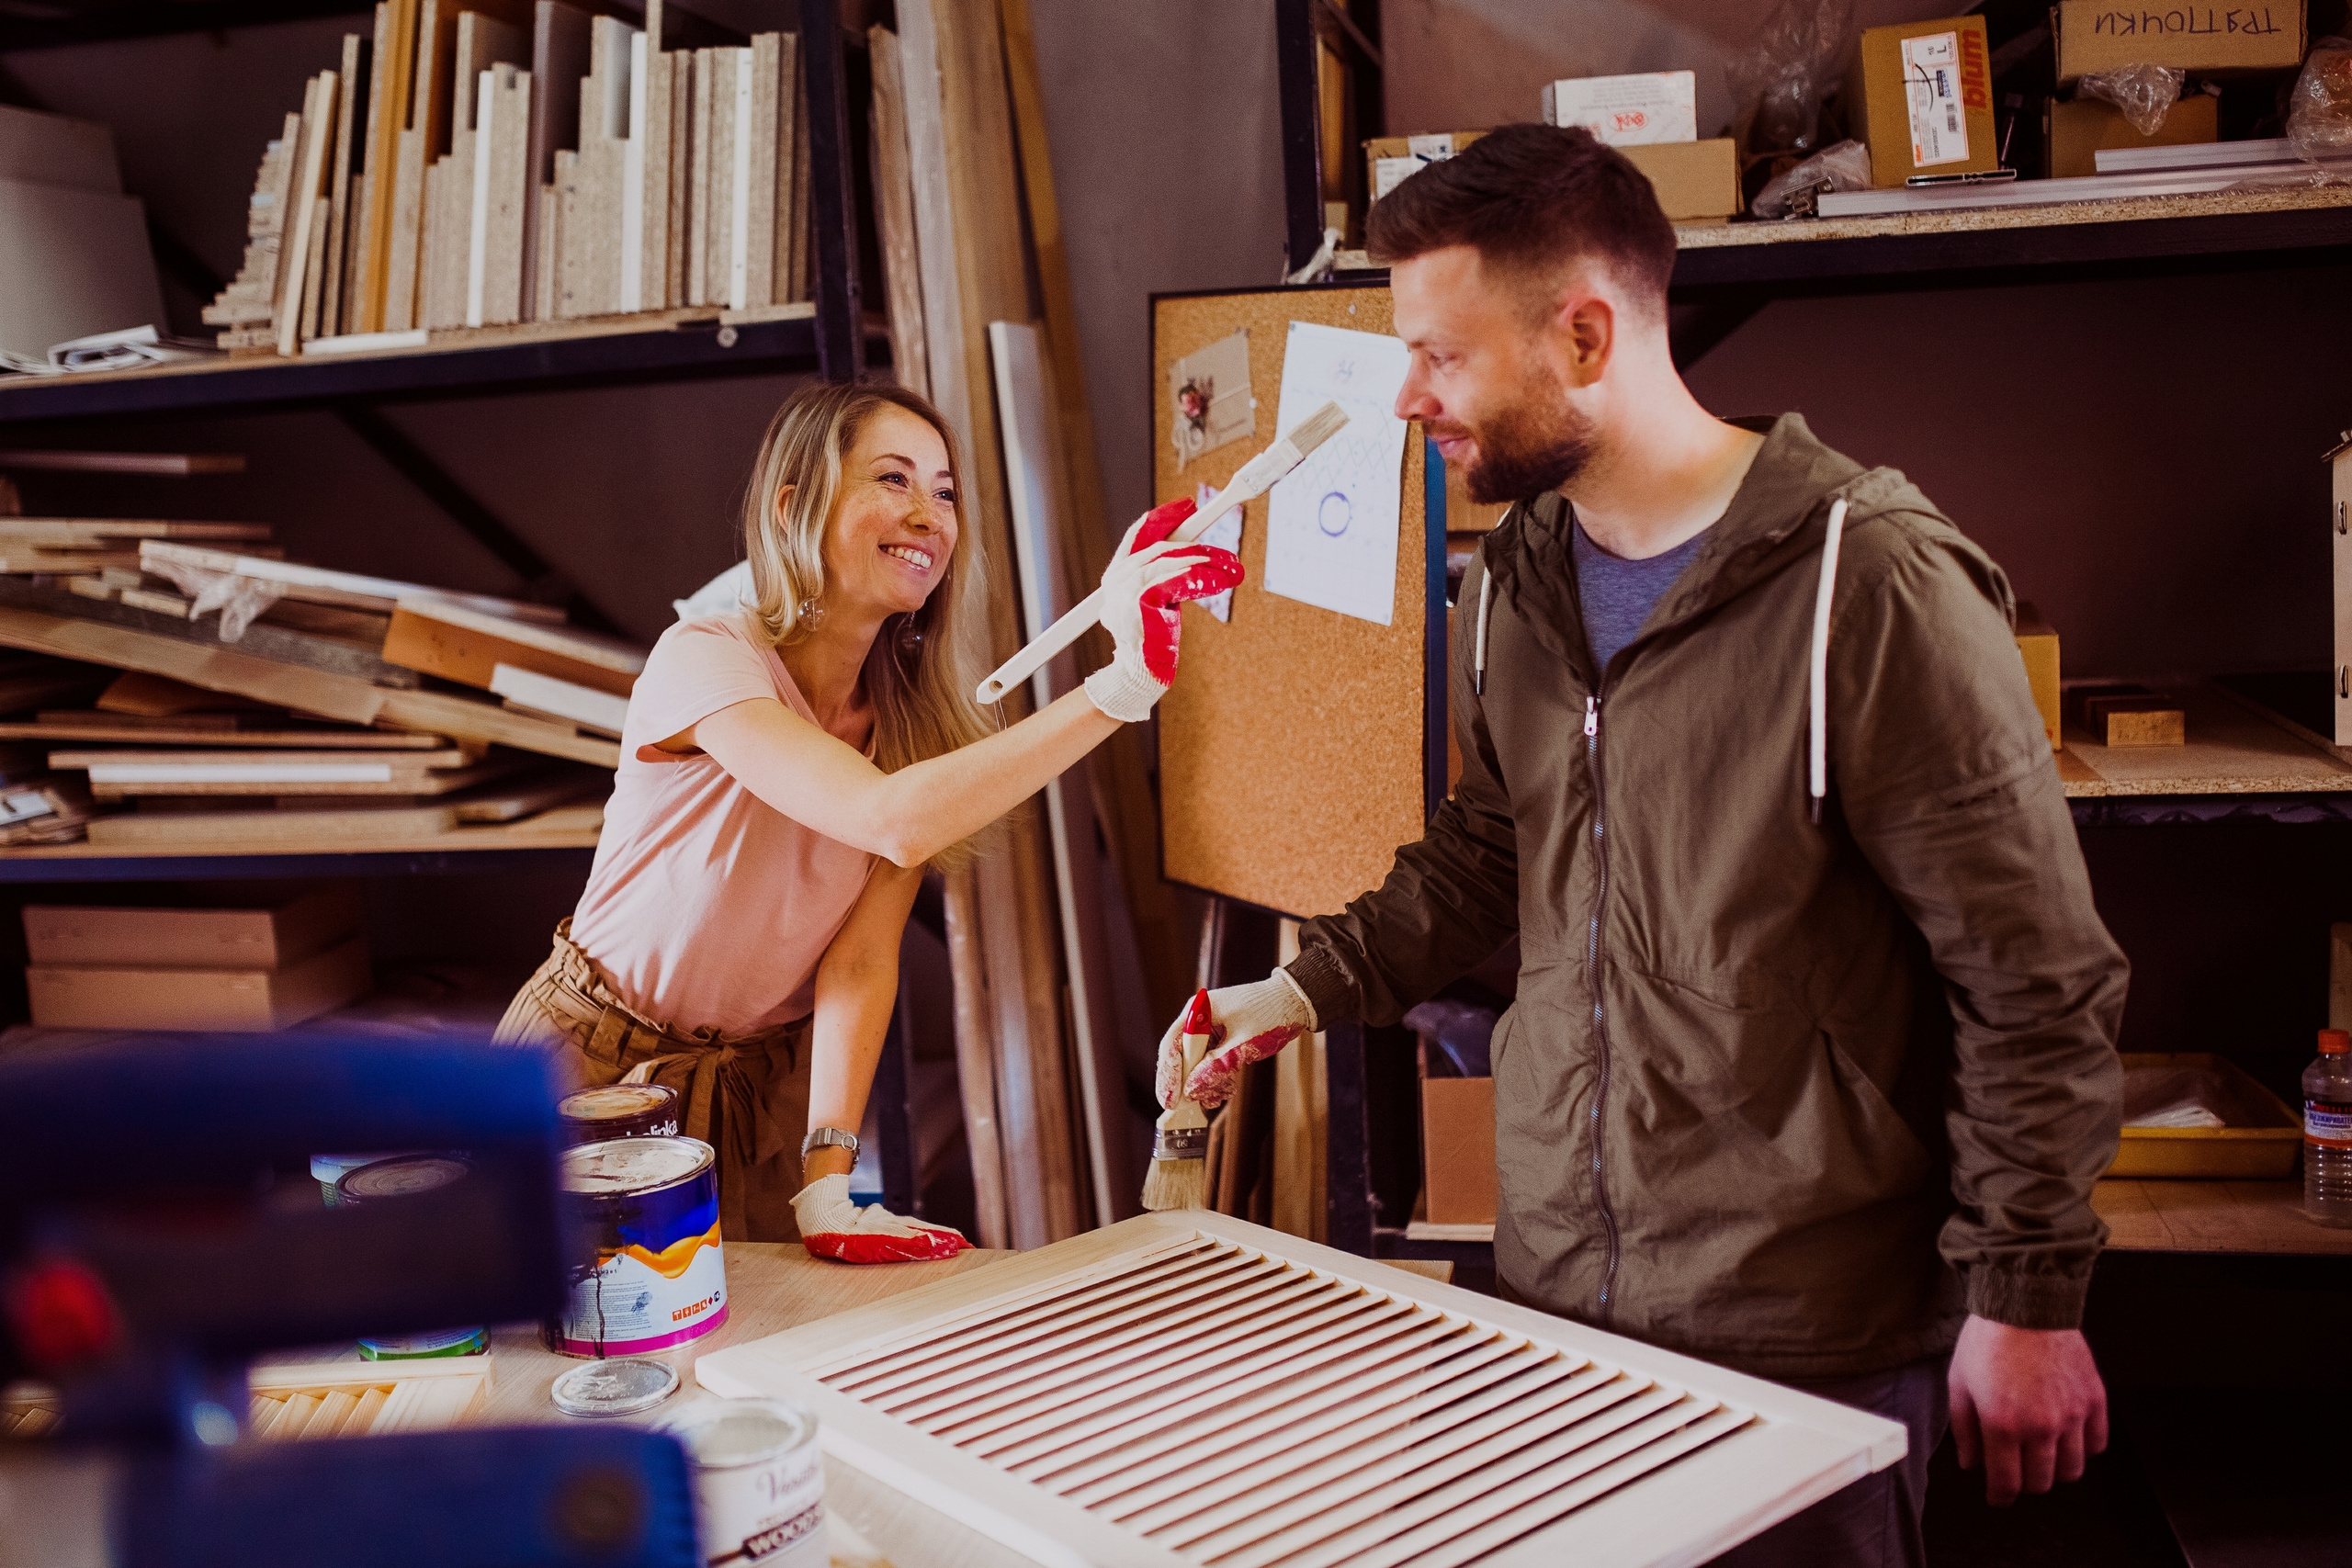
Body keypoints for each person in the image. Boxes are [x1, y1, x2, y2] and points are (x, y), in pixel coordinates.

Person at [1154, 124, 2126, 1564]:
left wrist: (2028, 1292)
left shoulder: (1874, 583)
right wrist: (1293, 992)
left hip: (1807, 1329)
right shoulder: (1518, 580)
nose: (1408, 396)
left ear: (1586, 333)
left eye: (1442, 355)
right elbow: (1491, 851)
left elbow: (2033, 972)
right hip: (1554, 1298)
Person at [501, 381, 1236, 1262]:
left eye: (945, 491)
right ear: (793, 505)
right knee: (568, 1363)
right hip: (588, 1071)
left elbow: (858, 961)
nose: (928, 513)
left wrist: (826, 1177)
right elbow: (885, 818)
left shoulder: (915, 736)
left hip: (756, 1093)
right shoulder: (706, 657)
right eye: (893, 479)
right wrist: (1118, 691)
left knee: (747, 1369)